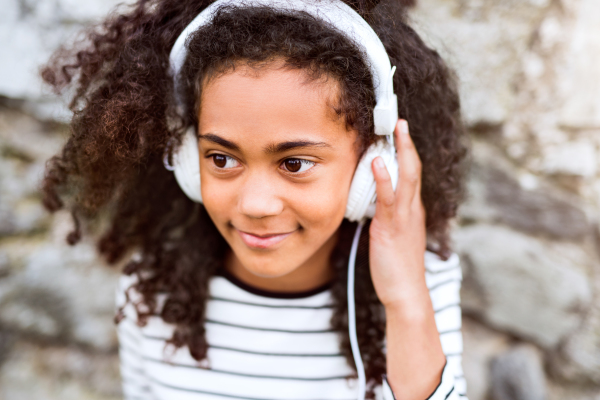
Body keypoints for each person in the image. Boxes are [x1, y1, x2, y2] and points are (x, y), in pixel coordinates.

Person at [40, 0, 469, 399]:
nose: (256, 205)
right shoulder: (152, 294)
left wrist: (405, 301)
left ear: (371, 166)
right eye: (222, 158)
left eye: (295, 164)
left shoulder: (419, 286)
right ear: (187, 159)